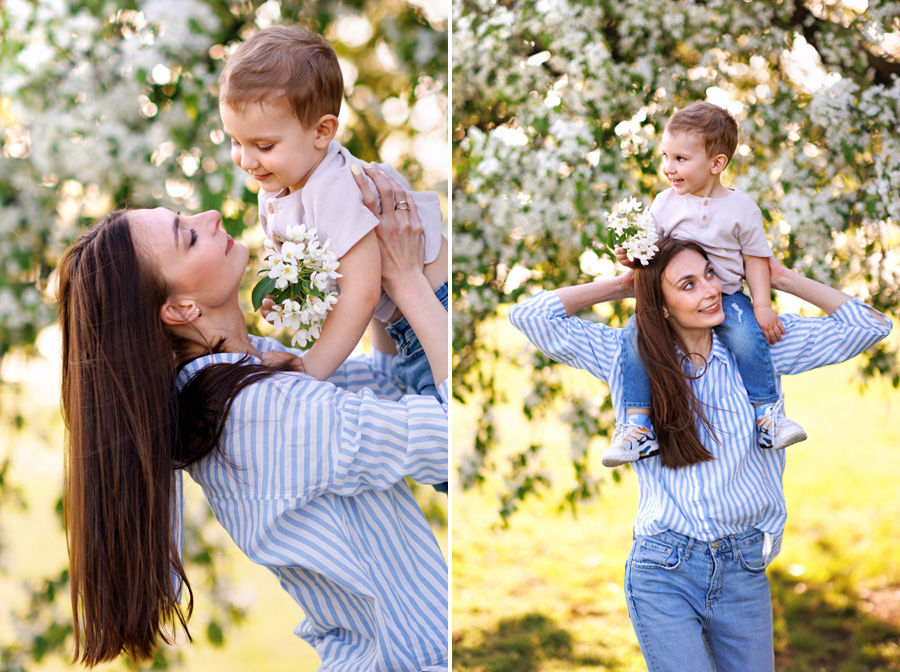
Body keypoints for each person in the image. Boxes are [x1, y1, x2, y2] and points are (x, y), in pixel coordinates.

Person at [57, 168, 449, 670]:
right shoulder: (259, 417)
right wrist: (411, 281)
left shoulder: (246, 370)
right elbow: (444, 434)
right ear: (180, 308)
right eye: (189, 234)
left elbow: (391, 387)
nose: (211, 215)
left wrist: (373, 279)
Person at [509, 236, 891, 672]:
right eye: (687, 284)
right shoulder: (627, 356)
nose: (710, 290)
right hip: (664, 570)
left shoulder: (758, 348)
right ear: (662, 304)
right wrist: (624, 285)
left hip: (743, 570)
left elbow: (869, 325)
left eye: (710, 274)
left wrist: (779, 277)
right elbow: (530, 316)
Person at [218, 24, 449, 397]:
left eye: (263, 145)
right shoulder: (280, 186)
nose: (246, 160)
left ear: (322, 132)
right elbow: (328, 271)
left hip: (437, 309)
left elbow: (360, 292)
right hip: (403, 325)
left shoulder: (333, 186)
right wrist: (292, 293)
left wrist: (311, 365)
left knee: (436, 422)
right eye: (235, 141)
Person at [606, 101, 805, 467]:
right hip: (672, 301)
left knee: (747, 337)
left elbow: (755, 259)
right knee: (636, 336)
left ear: (716, 164)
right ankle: (637, 425)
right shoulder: (664, 203)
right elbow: (652, 253)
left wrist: (761, 306)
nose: (669, 168)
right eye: (666, 157)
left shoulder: (741, 208)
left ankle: (767, 414)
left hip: (726, 296)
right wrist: (631, 258)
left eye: (681, 159)